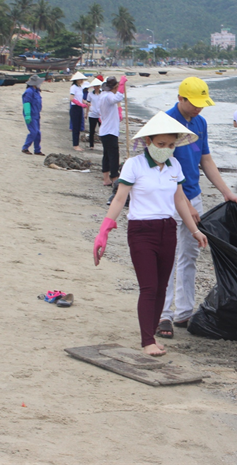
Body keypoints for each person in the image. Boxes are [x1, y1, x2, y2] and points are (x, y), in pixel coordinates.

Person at [93, 112, 208, 356]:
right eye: (161, 144)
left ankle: (152, 336)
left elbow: (179, 199)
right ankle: (147, 341)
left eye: (171, 145)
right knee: (149, 287)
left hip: (168, 229)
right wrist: (104, 230)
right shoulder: (134, 165)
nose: (166, 149)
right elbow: (119, 199)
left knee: (162, 285)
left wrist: (194, 230)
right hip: (141, 231)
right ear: (148, 142)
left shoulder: (174, 165)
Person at [156, 77, 237, 339]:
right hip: (168, 198)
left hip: (194, 196)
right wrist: (182, 204)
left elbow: (205, 159)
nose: (199, 109)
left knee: (190, 254)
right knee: (167, 256)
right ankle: (163, 315)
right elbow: (161, 166)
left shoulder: (200, 123)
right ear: (180, 98)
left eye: (202, 105)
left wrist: (227, 192)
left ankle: (184, 311)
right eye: (194, 104)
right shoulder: (164, 123)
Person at [98, 76, 127, 185]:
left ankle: (106, 179)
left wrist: (119, 111)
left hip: (105, 130)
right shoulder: (108, 96)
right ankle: (114, 178)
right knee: (114, 155)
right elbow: (118, 98)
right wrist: (122, 85)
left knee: (106, 155)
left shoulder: (102, 96)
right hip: (109, 131)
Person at [21, 75, 45, 155]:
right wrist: (28, 115)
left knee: (38, 133)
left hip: (36, 114)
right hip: (31, 115)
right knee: (33, 132)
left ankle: (37, 150)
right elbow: (26, 103)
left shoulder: (37, 91)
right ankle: (25, 148)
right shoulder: (29, 91)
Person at [69, 72, 90, 152]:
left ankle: (77, 144)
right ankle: (75, 145)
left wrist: (85, 102)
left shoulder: (80, 87)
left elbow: (80, 98)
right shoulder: (73, 87)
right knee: (75, 127)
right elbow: (71, 98)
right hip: (75, 108)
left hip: (79, 107)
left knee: (79, 126)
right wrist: (80, 104)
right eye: (80, 79)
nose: (81, 81)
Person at [87, 76, 105, 150]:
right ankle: (91, 145)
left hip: (101, 115)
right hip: (92, 114)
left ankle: (104, 145)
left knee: (103, 130)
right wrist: (86, 113)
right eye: (95, 86)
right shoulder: (90, 94)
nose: (97, 87)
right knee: (92, 130)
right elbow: (88, 103)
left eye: (98, 86)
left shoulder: (102, 93)